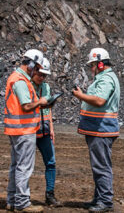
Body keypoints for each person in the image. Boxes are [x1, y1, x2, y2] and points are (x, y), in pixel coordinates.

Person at [72, 48, 120, 213]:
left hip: (102, 129)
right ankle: (98, 199)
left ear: (100, 63)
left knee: (101, 166)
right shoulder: (103, 78)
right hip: (98, 129)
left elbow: (99, 100)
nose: (90, 69)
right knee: (98, 165)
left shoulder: (106, 79)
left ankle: (105, 202)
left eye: (92, 65)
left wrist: (81, 96)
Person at [4, 49, 48, 212]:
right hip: (23, 130)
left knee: (16, 165)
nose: (37, 71)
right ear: (30, 64)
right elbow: (26, 105)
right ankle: (22, 203)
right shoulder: (20, 80)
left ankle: (12, 200)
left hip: (17, 130)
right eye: (36, 67)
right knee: (24, 167)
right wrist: (40, 102)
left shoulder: (18, 78)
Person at [31, 58, 61, 207]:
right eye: (40, 74)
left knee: (51, 162)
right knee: (25, 166)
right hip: (29, 130)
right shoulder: (26, 86)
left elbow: (48, 109)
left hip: (44, 130)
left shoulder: (46, 87)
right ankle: (20, 196)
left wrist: (52, 129)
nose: (42, 77)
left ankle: (50, 195)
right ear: (33, 70)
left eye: (44, 75)